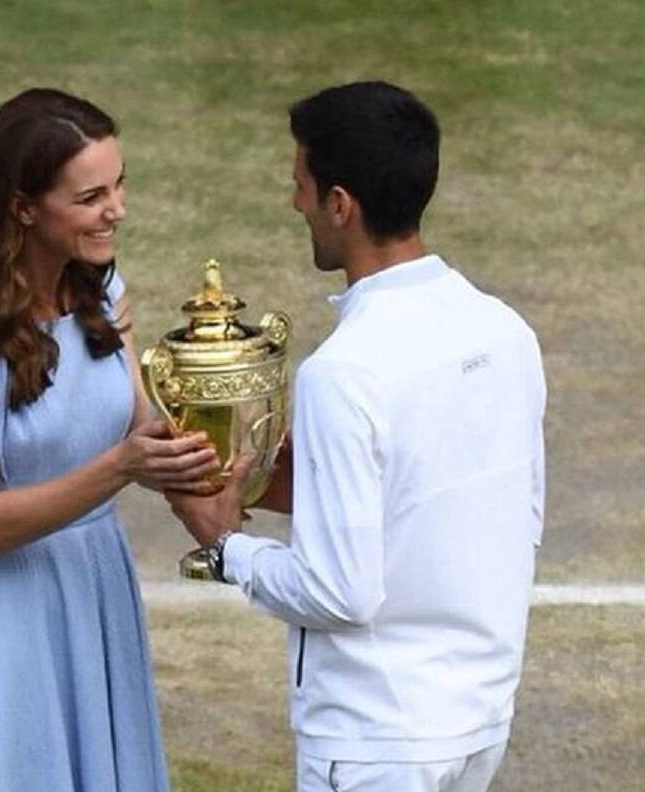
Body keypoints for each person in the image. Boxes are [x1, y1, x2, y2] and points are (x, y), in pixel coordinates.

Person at [167, 81, 547, 792]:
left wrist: (226, 546)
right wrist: (300, 484)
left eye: (301, 186)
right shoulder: (506, 333)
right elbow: (501, 514)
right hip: (479, 723)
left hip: (377, 741)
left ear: (340, 204)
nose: (296, 205)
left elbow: (339, 594)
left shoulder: (343, 372)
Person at [0, 88, 218, 792]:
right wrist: (122, 466)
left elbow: (138, 423)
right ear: (23, 207)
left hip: (98, 588)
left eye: (119, 185)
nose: (116, 209)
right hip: (10, 613)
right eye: (91, 196)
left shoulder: (103, 287)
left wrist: (216, 456)